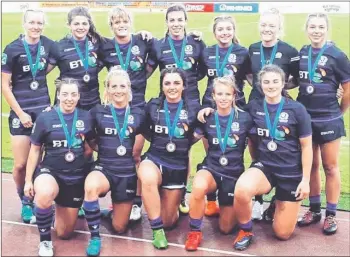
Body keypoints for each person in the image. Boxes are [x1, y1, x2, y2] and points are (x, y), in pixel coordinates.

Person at [232, 64, 312, 250]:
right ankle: (245, 230)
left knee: (282, 234)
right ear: (260, 84)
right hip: (265, 167)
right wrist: (208, 111)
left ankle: (277, 202)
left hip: (291, 172)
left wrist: (305, 180)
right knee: (242, 189)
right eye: (266, 82)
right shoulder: (253, 107)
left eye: (275, 81)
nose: (271, 85)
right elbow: (231, 115)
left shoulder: (297, 109)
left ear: (283, 83)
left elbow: (307, 146)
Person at [146, 3, 207, 215]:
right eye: (172, 20)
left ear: (185, 22)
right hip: (168, 101)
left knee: (186, 148)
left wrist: (186, 82)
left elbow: (204, 71)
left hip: (190, 101)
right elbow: (148, 70)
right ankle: (166, 185)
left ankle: (181, 194)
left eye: (180, 20)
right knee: (170, 142)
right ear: (167, 23)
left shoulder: (197, 43)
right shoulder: (158, 45)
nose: (176, 24)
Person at [24, 78, 95, 257]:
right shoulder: (45, 117)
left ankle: (50, 212)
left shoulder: (86, 117)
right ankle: (45, 241)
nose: (69, 98)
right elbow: (34, 151)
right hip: (51, 172)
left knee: (64, 233)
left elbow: (91, 147)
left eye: (73, 94)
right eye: (64, 94)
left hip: (75, 177)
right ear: (58, 95)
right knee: (45, 193)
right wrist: (28, 181)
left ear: (79, 96)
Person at [295, 13, 350, 235]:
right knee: (312, 166)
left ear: (326, 29)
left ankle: (331, 214)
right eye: (312, 27)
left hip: (329, 118)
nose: (316, 31)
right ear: (306, 29)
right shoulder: (301, 53)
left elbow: (347, 89)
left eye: (320, 27)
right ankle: (315, 210)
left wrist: (340, 111)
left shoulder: (338, 55)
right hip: (306, 118)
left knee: (330, 166)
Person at [98, 6, 154, 222]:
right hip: (114, 107)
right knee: (115, 155)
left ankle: (136, 203)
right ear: (111, 26)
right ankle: (117, 200)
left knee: (134, 155)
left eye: (124, 21)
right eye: (116, 22)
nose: (121, 25)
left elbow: (153, 62)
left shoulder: (143, 40)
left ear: (130, 22)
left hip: (137, 105)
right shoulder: (106, 46)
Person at [184, 76, 253, 251]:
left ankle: (237, 206)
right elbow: (190, 140)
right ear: (213, 96)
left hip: (233, 174)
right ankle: (194, 232)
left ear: (234, 96)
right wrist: (195, 118)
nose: (223, 98)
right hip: (211, 169)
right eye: (219, 94)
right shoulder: (207, 117)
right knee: (198, 186)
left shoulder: (245, 118)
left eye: (227, 94)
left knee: (225, 229)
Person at [83, 68, 146, 256]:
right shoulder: (97, 112)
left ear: (129, 88)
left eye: (122, 86)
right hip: (104, 168)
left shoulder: (139, 113)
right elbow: (89, 138)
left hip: (126, 173)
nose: (118, 90)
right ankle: (95, 236)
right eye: (114, 86)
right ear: (107, 90)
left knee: (120, 227)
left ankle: (109, 214)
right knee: (91, 186)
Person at [1, 9, 56, 224]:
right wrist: (20, 113)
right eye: (32, 22)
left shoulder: (49, 45)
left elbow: (50, 67)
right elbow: (4, 86)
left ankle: (37, 199)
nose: (36, 26)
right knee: (21, 164)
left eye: (40, 23)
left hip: (43, 111)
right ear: (24, 23)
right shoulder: (12, 49)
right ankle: (24, 201)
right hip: (20, 113)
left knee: (40, 162)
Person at [247, 8, 300, 221]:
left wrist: (279, 89)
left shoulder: (289, 50)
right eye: (264, 25)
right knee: (256, 148)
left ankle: (279, 199)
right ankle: (258, 200)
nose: (267, 29)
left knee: (280, 148)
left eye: (271, 25)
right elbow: (248, 75)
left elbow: (298, 78)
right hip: (256, 105)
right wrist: (262, 88)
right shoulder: (251, 49)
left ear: (279, 28)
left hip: (280, 107)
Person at [137, 67, 199, 249]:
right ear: (162, 86)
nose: (172, 87)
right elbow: (144, 130)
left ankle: (176, 200)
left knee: (169, 222)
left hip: (178, 167)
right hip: (155, 159)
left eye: (176, 83)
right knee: (147, 176)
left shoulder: (194, 108)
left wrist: (181, 144)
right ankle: (156, 231)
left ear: (184, 86)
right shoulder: (153, 106)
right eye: (167, 83)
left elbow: (198, 134)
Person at [200, 15, 251, 217]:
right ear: (214, 32)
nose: (224, 32)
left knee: (236, 152)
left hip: (236, 107)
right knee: (212, 152)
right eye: (220, 29)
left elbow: (251, 78)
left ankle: (242, 196)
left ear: (233, 30)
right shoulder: (207, 52)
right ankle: (211, 201)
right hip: (210, 106)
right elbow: (198, 74)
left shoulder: (243, 52)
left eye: (228, 29)